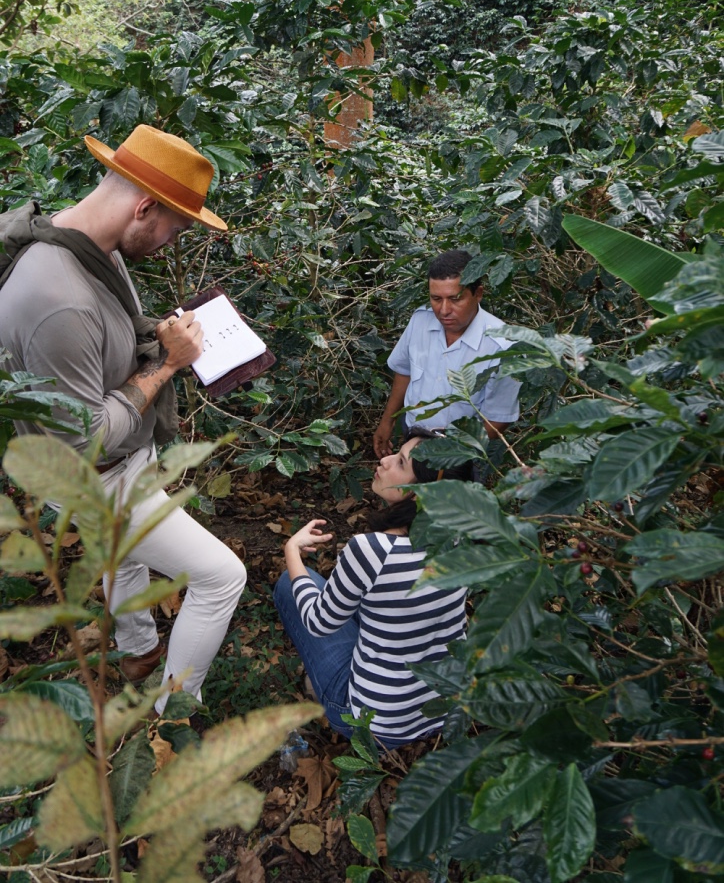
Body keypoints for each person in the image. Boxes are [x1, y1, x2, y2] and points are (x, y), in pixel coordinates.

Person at [0, 124, 247, 711]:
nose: (172, 241)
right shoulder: (60, 298)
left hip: (122, 455)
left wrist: (159, 338)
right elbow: (81, 443)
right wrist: (167, 367)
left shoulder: (85, 242)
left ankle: (137, 648)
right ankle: (170, 715)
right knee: (220, 577)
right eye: (175, 228)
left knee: (123, 555)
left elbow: (98, 349)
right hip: (96, 475)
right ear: (143, 208)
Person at [273, 433, 471, 748]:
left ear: (420, 495)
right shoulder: (466, 539)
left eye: (401, 463)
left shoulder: (373, 550)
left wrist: (292, 551)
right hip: (445, 710)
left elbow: (317, 622)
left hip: (374, 724)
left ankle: (325, 689)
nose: (385, 460)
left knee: (291, 583)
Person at [373, 249, 520, 459]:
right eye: (436, 299)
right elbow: (405, 371)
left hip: (460, 451)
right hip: (412, 434)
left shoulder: (502, 346)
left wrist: (450, 452)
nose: (443, 310)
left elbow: (498, 418)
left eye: (455, 299)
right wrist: (388, 421)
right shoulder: (420, 321)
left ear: (478, 294)